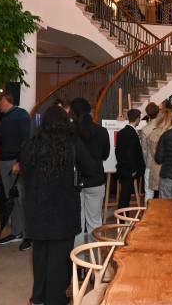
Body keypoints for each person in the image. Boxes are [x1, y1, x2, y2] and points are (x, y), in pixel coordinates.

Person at [21, 106, 97, 305]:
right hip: (63, 210)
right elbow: (91, 168)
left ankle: (38, 298)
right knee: (60, 259)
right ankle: (55, 299)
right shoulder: (71, 143)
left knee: (40, 258)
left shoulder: (32, 144)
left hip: (37, 209)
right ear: (66, 122)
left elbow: (26, 175)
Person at [70, 98, 110, 247]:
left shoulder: (69, 131)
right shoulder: (102, 131)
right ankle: (96, 260)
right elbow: (105, 155)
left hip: (75, 182)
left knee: (77, 224)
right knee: (95, 222)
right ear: (90, 111)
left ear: (73, 113)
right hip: (96, 179)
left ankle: (79, 264)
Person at [0, 91, 32, 251]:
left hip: (15, 163)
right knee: (11, 198)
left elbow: (27, 140)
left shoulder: (21, 115)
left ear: (4, 100)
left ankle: (29, 235)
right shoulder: (6, 117)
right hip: (4, 161)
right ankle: (17, 232)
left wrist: (20, 162)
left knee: (22, 198)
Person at [115, 109, 146, 209]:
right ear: (137, 119)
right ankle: (123, 218)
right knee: (125, 195)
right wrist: (133, 170)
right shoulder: (132, 134)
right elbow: (131, 154)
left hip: (122, 168)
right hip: (129, 170)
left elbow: (117, 151)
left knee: (124, 194)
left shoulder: (121, 133)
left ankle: (123, 217)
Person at [144, 109, 172, 199]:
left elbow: (149, 151)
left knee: (149, 195)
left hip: (154, 167)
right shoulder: (171, 134)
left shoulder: (153, 133)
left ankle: (149, 213)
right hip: (168, 170)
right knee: (166, 198)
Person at [140, 102, 160, 203]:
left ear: (147, 115)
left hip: (149, 163)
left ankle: (148, 216)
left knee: (148, 192)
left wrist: (146, 161)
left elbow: (144, 150)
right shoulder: (164, 127)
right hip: (163, 164)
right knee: (163, 192)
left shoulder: (145, 129)